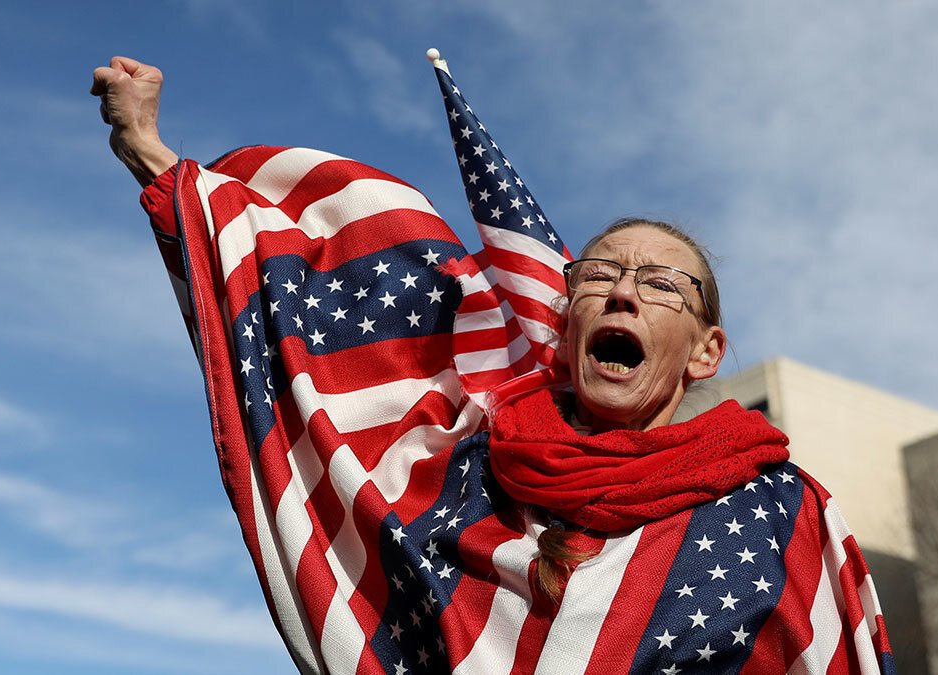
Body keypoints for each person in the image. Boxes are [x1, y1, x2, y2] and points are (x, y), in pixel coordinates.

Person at [93, 56, 897, 674]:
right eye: (599, 274)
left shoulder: (781, 511)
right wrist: (152, 156)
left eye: (660, 284)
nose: (623, 292)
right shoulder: (462, 473)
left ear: (706, 351)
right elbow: (299, 352)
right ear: (565, 314)